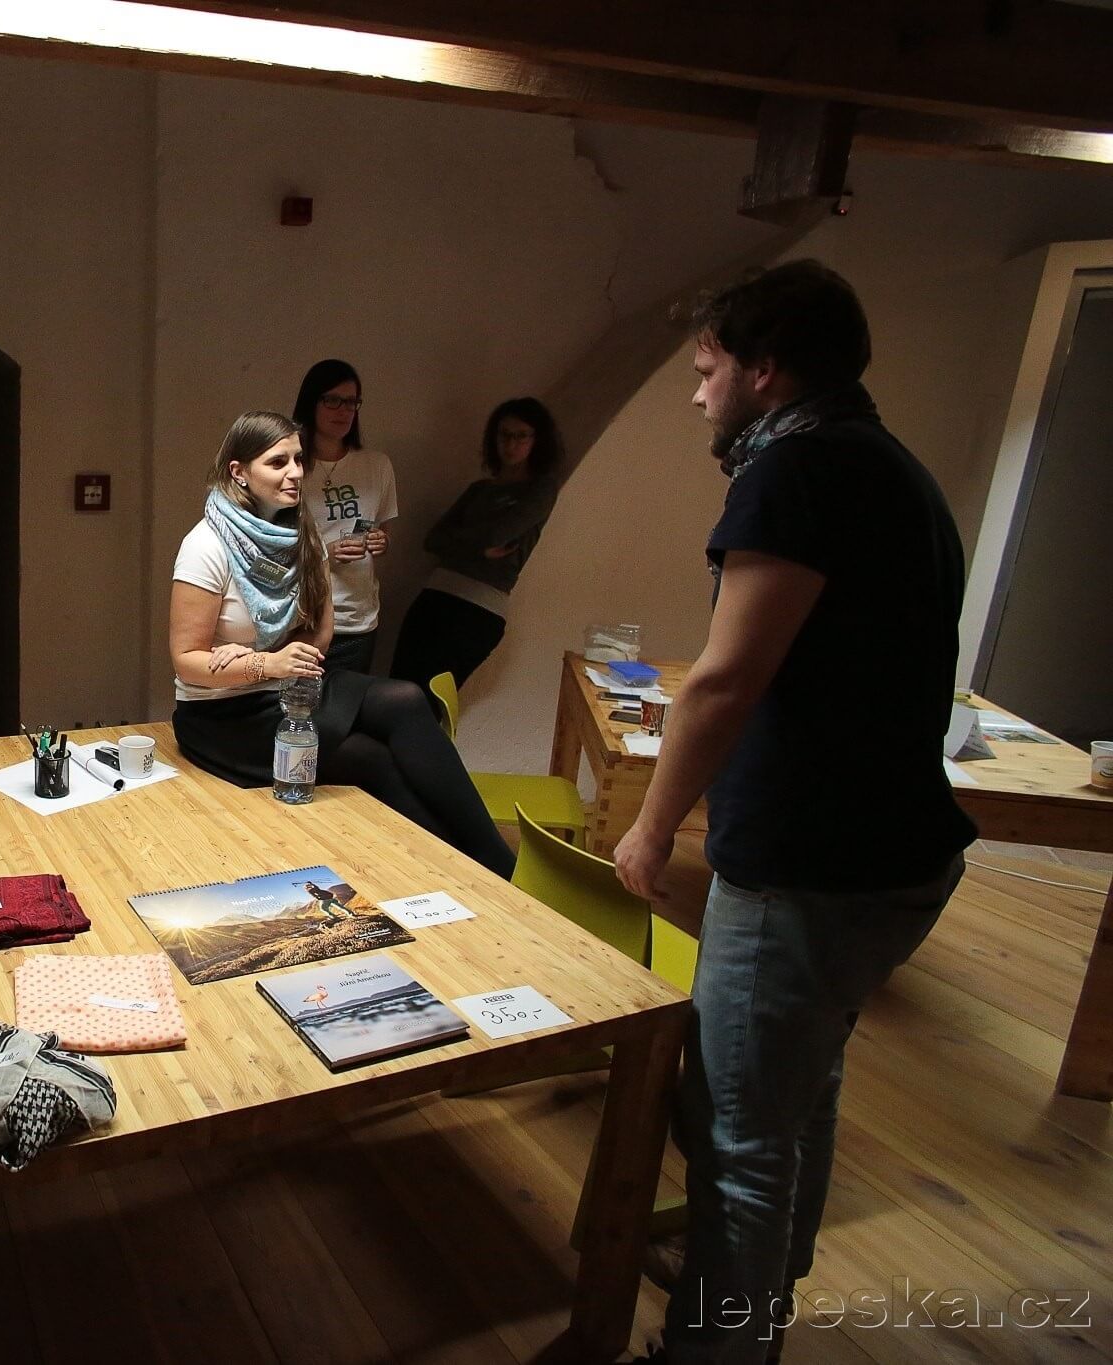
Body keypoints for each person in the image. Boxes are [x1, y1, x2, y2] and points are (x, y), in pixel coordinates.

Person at [612, 261, 974, 1365]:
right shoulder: (891, 466)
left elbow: (724, 679)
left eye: (706, 369)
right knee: (798, 1096)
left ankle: (718, 1346)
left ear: (763, 369)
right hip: (899, 853)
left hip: (809, 865)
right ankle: (756, 1305)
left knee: (733, 1134)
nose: (695, 394)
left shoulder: (793, 474)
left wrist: (651, 825)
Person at [168, 410, 513, 877]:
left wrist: (266, 659)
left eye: (298, 459)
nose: (295, 472)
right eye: (277, 462)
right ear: (239, 472)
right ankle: (475, 870)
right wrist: (265, 664)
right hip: (224, 716)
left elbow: (320, 634)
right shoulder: (206, 545)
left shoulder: (301, 533)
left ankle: (491, 862)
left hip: (287, 688)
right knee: (369, 757)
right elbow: (187, 660)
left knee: (406, 698)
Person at [389, 396, 563, 690]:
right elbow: (434, 539)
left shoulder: (540, 489)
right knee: (397, 688)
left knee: (430, 698)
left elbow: (497, 535)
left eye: (521, 436)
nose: (511, 444)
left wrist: (463, 539)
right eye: (504, 435)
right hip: (434, 597)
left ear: (537, 440)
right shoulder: (479, 489)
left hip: (479, 608)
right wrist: (479, 548)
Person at [292, 359, 398, 675]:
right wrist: (326, 553)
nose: (344, 411)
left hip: (359, 618)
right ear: (312, 403)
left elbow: (383, 528)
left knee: (350, 702)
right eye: (333, 400)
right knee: (301, 704)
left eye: (351, 402)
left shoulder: (376, 465)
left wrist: (382, 541)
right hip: (304, 616)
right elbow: (268, 551)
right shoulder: (290, 468)